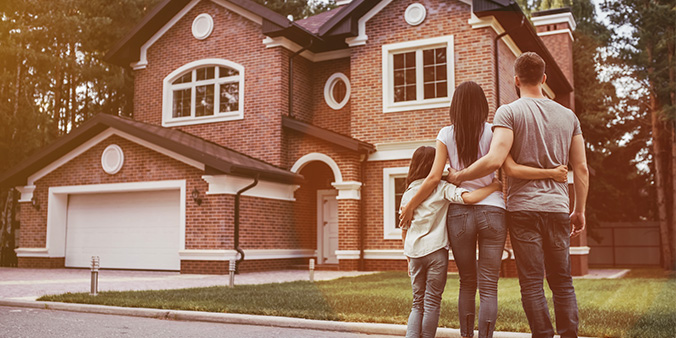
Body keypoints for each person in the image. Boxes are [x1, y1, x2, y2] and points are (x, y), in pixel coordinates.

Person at [399, 81, 568, 338]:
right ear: (483, 106)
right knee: (489, 286)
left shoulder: (445, 135)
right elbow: (506, 165)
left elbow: (433, 179)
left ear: (454, 107)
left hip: (459, 215)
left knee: (467, 282)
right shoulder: (495, 131)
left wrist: (410, 205)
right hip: (493, 212)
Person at [447, 52, 590, 338]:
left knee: (532, 282)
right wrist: (579, 210)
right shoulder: (568, 116)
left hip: (523, 209)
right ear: (544, 78)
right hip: (558, 206)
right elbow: (582, 169)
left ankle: (543, 335)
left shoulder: (508, 112)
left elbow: (496, 160)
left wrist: (459, 176)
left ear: (516, 79)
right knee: (563, 281)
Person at [401, 145, 502, 338]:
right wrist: (494, 186)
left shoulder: (408, 194)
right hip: (436, 252)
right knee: (431, 301)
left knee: (417, 301)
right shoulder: (442, 189)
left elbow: (404, 230)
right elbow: (470, 198)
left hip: (413, 254)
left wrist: (408, 258)